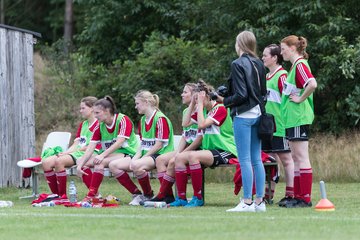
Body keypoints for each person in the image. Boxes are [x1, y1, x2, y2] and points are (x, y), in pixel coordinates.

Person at [219, 30, 267, 212]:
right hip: (258, 114)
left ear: (239, 44)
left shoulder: (237, 64)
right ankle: (259, 202)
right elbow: (262, 93)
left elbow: (241, 94)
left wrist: (224, 101)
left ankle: (247, 201)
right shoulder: (259, 64)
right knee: (257, 159)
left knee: (244, 159)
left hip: (243, 116)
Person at [171, 80, 237, 208]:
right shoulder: (204, 110)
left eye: (198, 99)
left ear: (206, 96)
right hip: (211, 151)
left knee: (193, 156)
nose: (196, 102)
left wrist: (200, 105)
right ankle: (182, 198)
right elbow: (185, 123)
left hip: (225, 150)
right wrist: (192, 104)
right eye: (195, 99)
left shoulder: (220, 108)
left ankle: (198, 197)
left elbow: (201, 124)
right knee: (178, 158)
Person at [145, 83, 203, 204]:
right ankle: (168, 196)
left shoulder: (201, 111)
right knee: (160, 160)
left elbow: (199, 139)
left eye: (185, 92)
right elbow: (185, 136)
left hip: (198, 149)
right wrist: (178, 152)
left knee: (173, 161)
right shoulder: (186, 111)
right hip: (187, 149)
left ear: (194, 96)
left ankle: (162, 194)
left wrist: (181, 154)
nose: (182, 94)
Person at [76, 96, 140, 203]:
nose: (95, 116)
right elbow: (91, 147)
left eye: (97, 113)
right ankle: (96, 195)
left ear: (107, 111)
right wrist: (80, 165)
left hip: (128, 153)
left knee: (100, 161)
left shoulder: (123, 120)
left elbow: (119, 143)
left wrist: (102, 155)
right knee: (81, 161)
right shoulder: (100, 126)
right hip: (110, 155)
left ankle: (136, 194)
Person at [280, 35, 317, 208]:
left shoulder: (300, 64)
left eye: (283, 49)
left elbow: (312, 84)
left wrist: (301, 99)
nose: (282, 53)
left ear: (293, 48)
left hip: (298, 117)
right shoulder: (294, 66)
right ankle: (298, 196)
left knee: (301, 157)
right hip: (291, 119)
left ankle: (305, 198)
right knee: (295, 157)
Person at [42, 96, 99, 198]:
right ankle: (56, 195)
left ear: (92, 109)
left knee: (59, 162)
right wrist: (65, 153)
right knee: (46, 162)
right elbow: (76, 144)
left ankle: (63, 196)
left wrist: (71, 153)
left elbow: (94, 146)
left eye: (83, 108)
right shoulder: (83, 124)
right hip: (77, 152)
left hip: (89, 153)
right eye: (80, 108)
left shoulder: (99, 124)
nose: (80, 111)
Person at [125, 90, 174, 205]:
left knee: (137, 165)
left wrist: (142, 158)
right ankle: (146, 194)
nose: (135, 106)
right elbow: (142, 144)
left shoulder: (160, 118)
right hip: (149, 155)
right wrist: (135, 158)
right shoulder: (142, 120)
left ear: (146, 102)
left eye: (137, 103)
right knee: (115, 165)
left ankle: (149, 195)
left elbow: (159, 145)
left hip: (161, 154)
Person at [261, 44, 295, 206]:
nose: (262, 58)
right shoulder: (267, 76)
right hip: (267, 127)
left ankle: (291, 193)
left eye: (265, 55)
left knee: (286, 160)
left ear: (274, 58)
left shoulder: (282, 75)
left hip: (279, 125)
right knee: (270, 160)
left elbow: (289, 98)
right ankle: (268, 194)